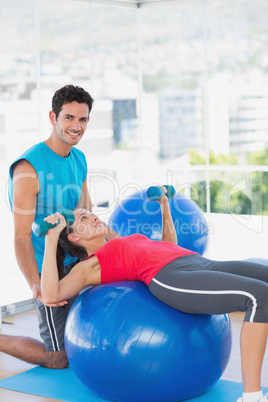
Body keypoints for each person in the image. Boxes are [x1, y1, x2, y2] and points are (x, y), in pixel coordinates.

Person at [41, 186, 268, 402]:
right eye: (82, 219)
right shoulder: (89, 265)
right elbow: (52, 295)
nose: (92, 217)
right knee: (258, 296)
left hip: (196, 262)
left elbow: (169, 245)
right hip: (171, 277)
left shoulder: (119, 242)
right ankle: (251, 396)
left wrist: (164, 208)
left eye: (90, 214)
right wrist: (52, 238)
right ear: (73, 238)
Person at [3, 85, 118, 370]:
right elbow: (20, 237)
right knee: (59, 358)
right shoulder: (28, 169)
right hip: (49, 269)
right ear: (53, 117)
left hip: (77, 259)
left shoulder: (78, 159)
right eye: (69, 118)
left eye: (82, 119)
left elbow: (87, 212)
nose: (76, 126)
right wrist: (36, 284)